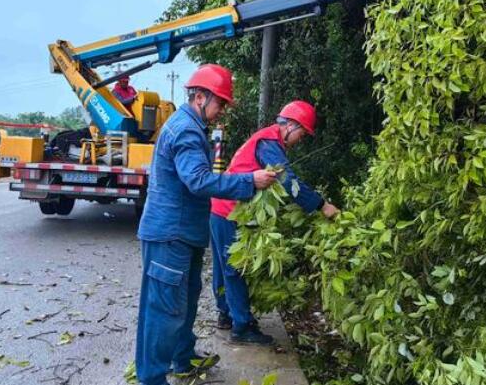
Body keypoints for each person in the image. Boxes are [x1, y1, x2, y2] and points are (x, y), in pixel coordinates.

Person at [134, 64, 278, 385]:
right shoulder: (185, 130)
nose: (222, 111)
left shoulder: (191, 125)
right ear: (200, 96)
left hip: (183, 234)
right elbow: (198, 181)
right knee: (164, 309)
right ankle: (151, 378)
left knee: (184, 299)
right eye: (220, 103)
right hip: (170, 234)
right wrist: (249, 181)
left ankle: (181, 358)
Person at [210, 100, 340, 345]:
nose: (301, 139)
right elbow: (288, 182)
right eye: (302, 133)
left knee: (223, 265)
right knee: (234, 268)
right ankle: (242, 326)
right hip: (230, 209)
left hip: (221, 205)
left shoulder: (266, 139)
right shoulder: (270, 143)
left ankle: (225, 314)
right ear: (291, 125)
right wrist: (322, 205)